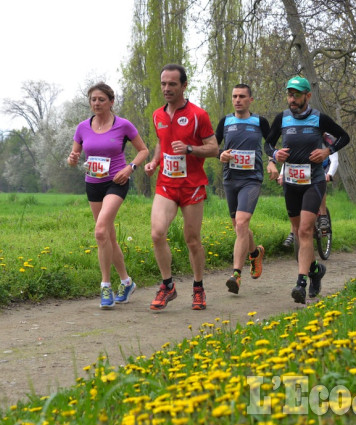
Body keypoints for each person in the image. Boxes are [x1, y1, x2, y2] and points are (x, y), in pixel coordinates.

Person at [265, 76, 350, 304]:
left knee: (304, 231)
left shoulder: (319, 118)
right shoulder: (281, 118)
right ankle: (315, 270)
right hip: (291, 182)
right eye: (289, 94)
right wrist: (274, 155)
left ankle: (301, 283)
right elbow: (267, 144)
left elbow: (344, 136)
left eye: (297, 95)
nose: (292, 99)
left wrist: (327, 151)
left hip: (313, 180)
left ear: (307, 96)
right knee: (298, 234)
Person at [67, 82, 149, 309]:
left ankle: (105, 287)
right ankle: (126, 281)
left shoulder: (123, 125)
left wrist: (130, 167)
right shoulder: (83, 127)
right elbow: (73, 155)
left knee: (101, 230)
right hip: (93, 183)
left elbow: (143, 150)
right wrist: (72, 159)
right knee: (108, 237)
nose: (96, 103)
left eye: (101, 99)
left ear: (111, 102)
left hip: (117, 182)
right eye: (93, 99)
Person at [145, 64, 219, 311]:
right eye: (164, 83)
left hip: (192, 186)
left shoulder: (199, 115)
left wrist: (190, 149)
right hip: (166, 184)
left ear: (184, 85)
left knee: (192, 239)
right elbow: (160, 142)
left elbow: (214, 148)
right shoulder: (157, 115)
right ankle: (168, 286)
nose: (166, 88)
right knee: (157, 233)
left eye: (172, 84)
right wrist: (155, 161)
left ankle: (198, 287)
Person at [215, 84, 271, 294]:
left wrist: (272, 159)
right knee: (239, 227)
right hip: (231, 179)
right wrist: (220, 154)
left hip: (252, 179)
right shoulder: (226, 122)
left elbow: (270, 144)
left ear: (250, 100)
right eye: (234, 96)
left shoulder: (259, 122)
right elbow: (213, 145)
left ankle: (236, 275)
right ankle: (255, 253)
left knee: (241, 223)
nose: (237, 100)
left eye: (242, 96)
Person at [281, 133, 338, 247]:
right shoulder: (301, 135)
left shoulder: (329, 139)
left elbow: (335, 159)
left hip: (323, 166)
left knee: (320, 183)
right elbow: (290, 159)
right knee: (296, 203)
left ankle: (323, 216)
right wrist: (282, 174)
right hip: (304, 167)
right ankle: (293, 232)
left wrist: (330, 174)